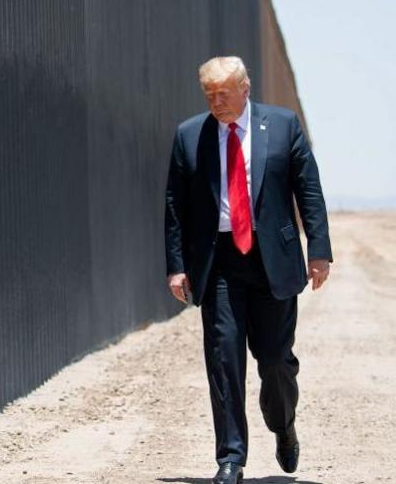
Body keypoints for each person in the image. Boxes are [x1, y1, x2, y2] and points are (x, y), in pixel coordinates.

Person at [164, 56, 332, 484]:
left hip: (271, 258)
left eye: (224, 93)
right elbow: (175, 206)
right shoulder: (189, 136)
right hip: (218, 261)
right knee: (223, 360)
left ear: (246, 88)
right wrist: (177, 266)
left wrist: (319, 250)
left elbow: (308, 190)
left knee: (275, 360)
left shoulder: (282, 125)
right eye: (209, 95)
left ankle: (283, 424)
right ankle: (231, 458)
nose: (217, 102)